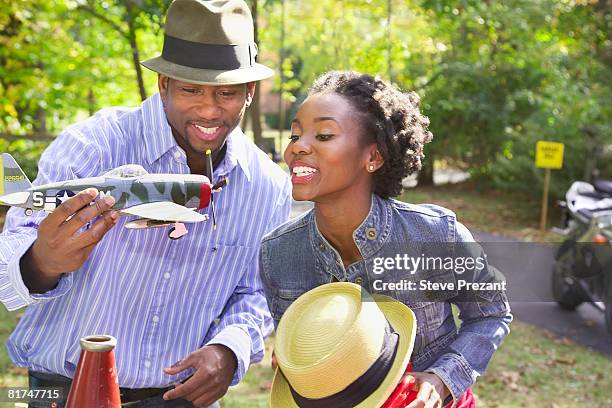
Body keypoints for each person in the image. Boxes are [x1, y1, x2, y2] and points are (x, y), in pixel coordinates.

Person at [0, 1, 291, 407]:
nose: (209, 110)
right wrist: (42, 260)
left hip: (181, 398)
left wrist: (231, 348)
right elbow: (10, 256)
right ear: (164, 84)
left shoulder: (269, 186)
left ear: (250, 92)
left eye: (227, 93)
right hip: (64, 393)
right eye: (190, 89)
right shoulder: (93, 145)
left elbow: (257, 291)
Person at [260, 71, 512, 407]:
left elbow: (491, 312)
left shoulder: (436, 234)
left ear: (373, 157)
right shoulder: (278, 253)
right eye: (295, 135)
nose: (297, 148)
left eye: (323, 134)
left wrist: (442, 378)